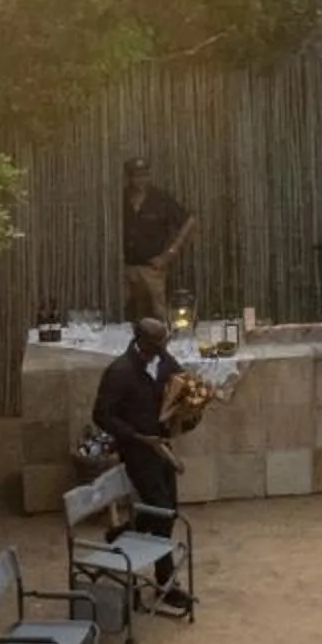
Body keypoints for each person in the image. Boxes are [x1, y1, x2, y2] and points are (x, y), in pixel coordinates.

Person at [91, 317, 192, 613]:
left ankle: (121, 534)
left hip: (161, 447)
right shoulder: (119, 372)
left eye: (164, 343)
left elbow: (180, 384)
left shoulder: (164, 361)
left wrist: (188, 408)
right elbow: (102, 415)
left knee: (169, 509)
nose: (161, 349)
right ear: (139, 340)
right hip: (137, 451)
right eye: (155, 343)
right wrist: (136, 437)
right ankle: (166, 582)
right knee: (161, 512)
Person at [119, 156, 195, 327]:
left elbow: (188, 221)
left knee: (158, 315)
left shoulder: (160, 199)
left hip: (152, 268)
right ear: (129, 177)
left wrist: (170, 253)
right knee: (127, 315)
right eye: (136, 175)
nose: (140, 180)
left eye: (144, 175)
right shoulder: (119, 199)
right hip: (125, 269)